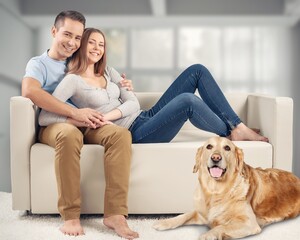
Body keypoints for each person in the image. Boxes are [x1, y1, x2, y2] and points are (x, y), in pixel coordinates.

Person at [39, 27, 268, 145]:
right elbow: (44, 118)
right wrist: (76, 118)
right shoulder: (72, 80)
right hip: (136, 133)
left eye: (102, 44)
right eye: (92, 43)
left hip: (144, 116)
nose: (98, 48)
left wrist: (107, 116)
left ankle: (236, 126)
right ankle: (230, 132)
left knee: (197, 70)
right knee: (187, 101)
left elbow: (132, 102)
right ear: (81, 45)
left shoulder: (109, 72)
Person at [22, 11, 139, 239]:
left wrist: (122, 82)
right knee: (68, 134)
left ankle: (115, 214)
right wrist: (73, 114)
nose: (72, 43)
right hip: (57, 122)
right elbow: (30, 91)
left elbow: (103, 76)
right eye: (67, 35)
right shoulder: (39, 64)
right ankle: (70, 215)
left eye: (77, 38)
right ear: (54, 32)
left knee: (120, 135)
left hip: (88, 121)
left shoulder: (79, 58)